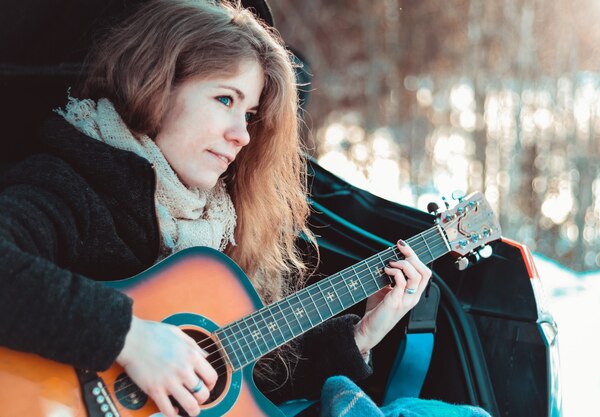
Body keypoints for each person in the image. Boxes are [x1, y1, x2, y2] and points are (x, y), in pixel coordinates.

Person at [0, 1, 432, 416]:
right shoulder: (69, 183)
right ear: (155, 83)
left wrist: (361, 336)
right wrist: (130, 338)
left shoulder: (215, 225)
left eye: (249, 114)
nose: (242, 134)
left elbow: (247, 382)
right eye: (225, 100)